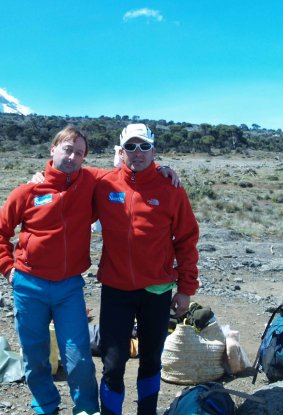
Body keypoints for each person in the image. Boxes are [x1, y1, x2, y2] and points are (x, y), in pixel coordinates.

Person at [0, 125, 179, 415]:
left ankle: (87, 409)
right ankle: (45, 405)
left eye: (79, 153)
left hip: (68, 286)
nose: (72, 156)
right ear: (53, 149)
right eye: (67, 149)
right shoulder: (28, 190)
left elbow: (130, 174)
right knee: (35, 354)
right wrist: (8, 269)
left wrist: (161, 169)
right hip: (28, 284)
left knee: (78, 356)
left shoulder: (91, 181)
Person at [93, 124, 200, 415]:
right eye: (130, 146)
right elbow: (68, 172)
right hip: (116, 289)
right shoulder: (104, 184)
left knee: (152, 360)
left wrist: (186, 290)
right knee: (113, 362)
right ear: (121, 151)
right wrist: (41, 176)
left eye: (143, 146)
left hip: (157, 289)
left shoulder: (171, 188)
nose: (137, 153)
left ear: (154, 150)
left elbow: (187, 240)